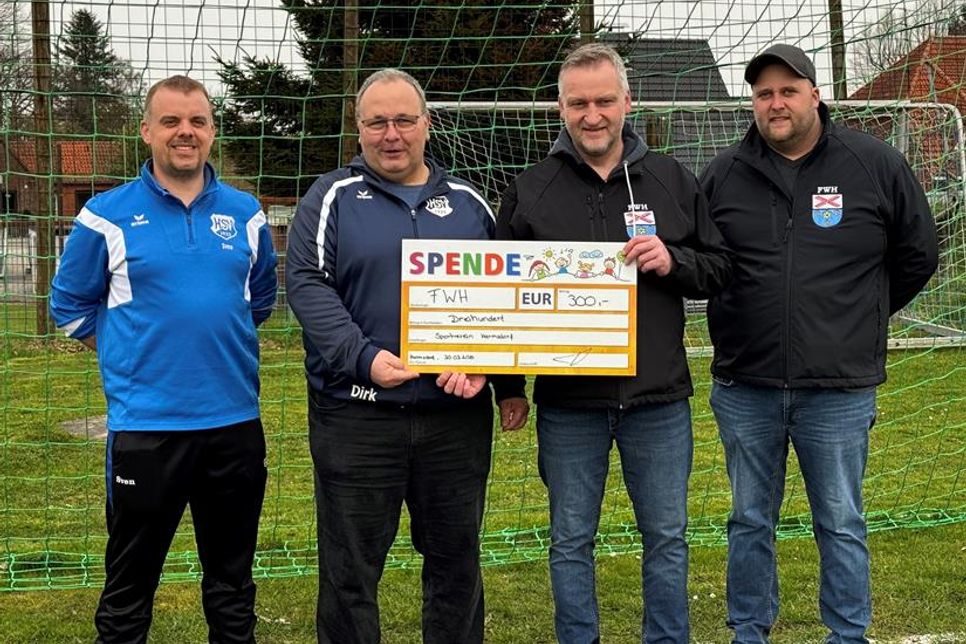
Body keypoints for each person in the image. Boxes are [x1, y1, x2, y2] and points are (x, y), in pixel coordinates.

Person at [700, 44, 939, 643]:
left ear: (815, 94)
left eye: (787, 90)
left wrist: (862, 318)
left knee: (840, 520)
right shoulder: (723, 173)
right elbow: (702, 262)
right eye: (763, 94)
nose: (775, 103)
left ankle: (847, 634)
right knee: (748, 521)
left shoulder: (873, 163)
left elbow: (918, 255)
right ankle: (749, 631)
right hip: (745, 385)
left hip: (838, 390)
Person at [496, 43, 732, 644]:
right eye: (579, 103)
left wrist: (672, 259)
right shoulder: (530, 189)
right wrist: (508, 388)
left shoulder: (673, 179)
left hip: (658, 401)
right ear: (560, 109)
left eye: (604, 101)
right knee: (571, 540)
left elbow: (720, 267)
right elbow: (498, 297)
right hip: (569, 406)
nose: (592, 115)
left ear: (627, 102)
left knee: (667, 537)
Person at [284, 68, 529, 644]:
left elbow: (504, 300)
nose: (391, 134)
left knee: (457, 566)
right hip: (357, 415)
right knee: (350, 573)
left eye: (403, 120)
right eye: (377, 122)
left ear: (426, 124)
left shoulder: (471, 205)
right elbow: (306, 284)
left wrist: (501, 377)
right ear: (359, 128)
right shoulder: (332, 197)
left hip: (454, 421)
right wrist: (363, 357)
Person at [48, 75, 278, 642]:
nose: (185, 132)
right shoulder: (105, 215)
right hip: (146, 432)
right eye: (172, 121)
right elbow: (69, 305)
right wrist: (129, 353)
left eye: (197, 121)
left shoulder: (247, 215)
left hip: (234, 427)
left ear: (212, 131)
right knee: (129, 589)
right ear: (146, 130)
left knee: (232, 587)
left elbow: (260, 300)